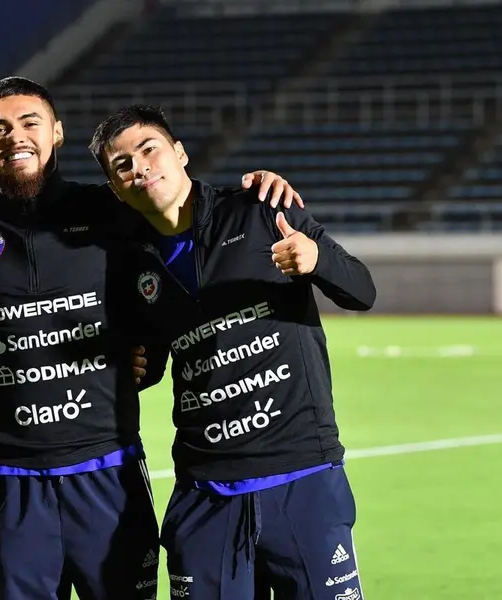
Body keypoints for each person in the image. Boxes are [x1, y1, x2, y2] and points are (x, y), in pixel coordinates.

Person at [0, 76, 303, 600]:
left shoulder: (111, 212)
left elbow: (178, 232)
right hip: (11, 473)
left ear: (56, 132)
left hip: (108, 471)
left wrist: (255, 192)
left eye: (29, 123)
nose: (14, 137)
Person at [90, 103, 375, 600]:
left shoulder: (262, 209)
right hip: (206, 493)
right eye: (123, 165)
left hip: (302, 476)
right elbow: (153, 357)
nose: (140, 167)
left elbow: (362, 291)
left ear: (180, 153)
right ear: (115, 187)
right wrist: (134, 365)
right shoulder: (129, 260)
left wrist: (316, 259)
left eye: (150, 149)